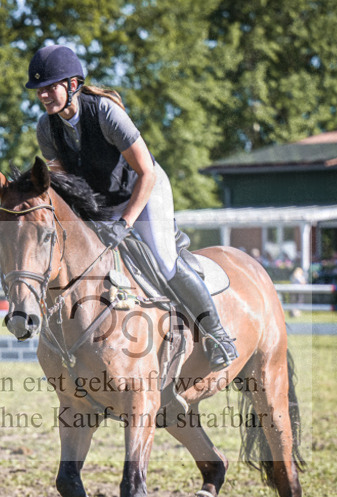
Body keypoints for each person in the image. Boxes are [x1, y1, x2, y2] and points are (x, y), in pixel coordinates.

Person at [24, 44, 237, 370]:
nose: (44, 95)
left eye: (50, 87)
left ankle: (218, 334)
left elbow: (146, 172)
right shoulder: (46, 127)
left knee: (164, 260)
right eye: (39, 90)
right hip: (101, 201)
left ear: (72, 84)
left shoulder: (106, 112)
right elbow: (66, 185)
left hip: (144, 190)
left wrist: (125, 223)